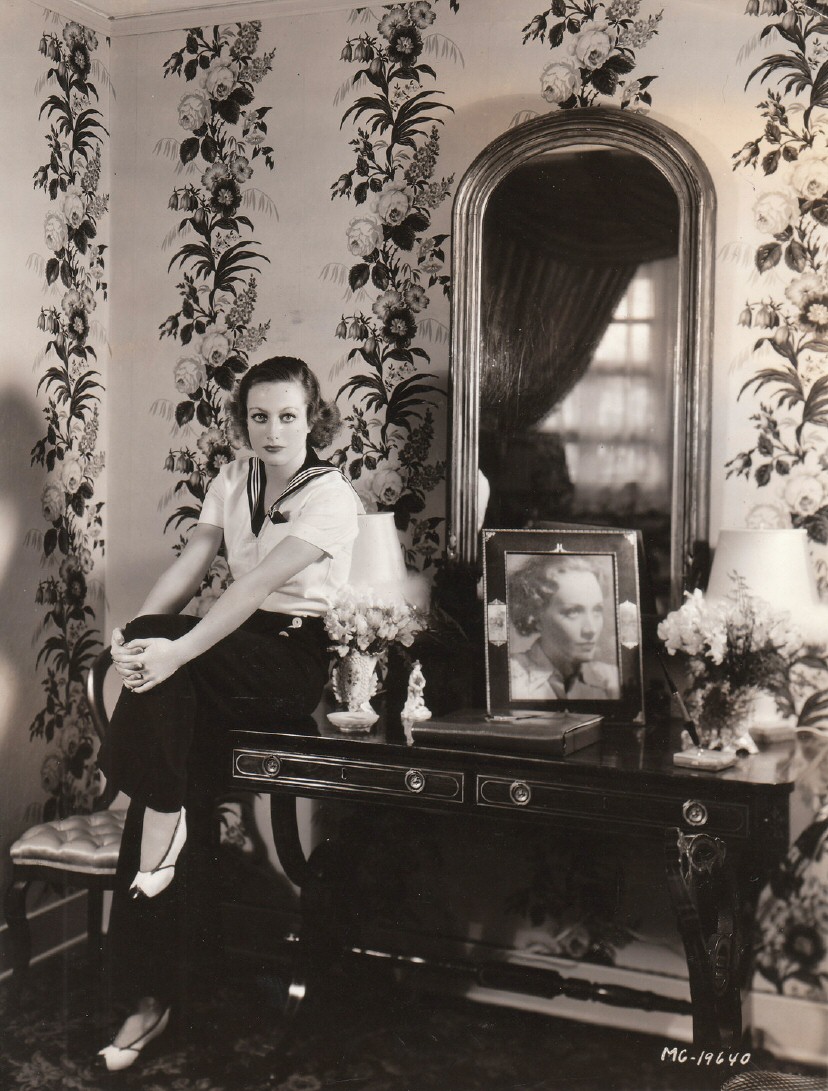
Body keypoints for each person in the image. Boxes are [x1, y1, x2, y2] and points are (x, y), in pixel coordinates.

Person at [96, 356, 363, 1071]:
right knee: (167, 760)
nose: (272, 430)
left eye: (286, 416)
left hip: (288, 658)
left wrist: (172, 650)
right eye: (258, 416)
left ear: (314, 420)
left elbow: (252, 592)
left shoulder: (334, 497)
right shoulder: (232, 478)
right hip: (225, 650)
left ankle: (161, 811)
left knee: (165, 689)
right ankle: (148, 998)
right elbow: (195, 560)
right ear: (242, 421)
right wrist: (139, 628)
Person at [508, 554, 620, 701]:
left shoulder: (613, 680)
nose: (591, 629)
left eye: (597, 610)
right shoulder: (510, 679)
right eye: (573, 612)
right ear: (535, 617)